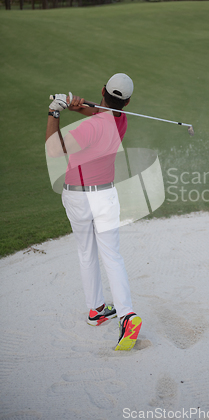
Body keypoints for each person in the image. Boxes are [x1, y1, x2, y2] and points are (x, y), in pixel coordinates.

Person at [45, 73, 142, 351]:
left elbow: (53, 149)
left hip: (77, 198)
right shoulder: (120, 120)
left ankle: (96, 308)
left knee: (86, 252)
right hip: (106, 196)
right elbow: (100, 112)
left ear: (102, 90)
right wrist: (74, 104)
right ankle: (125, 314)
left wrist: (55, 112)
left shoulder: (89, 127)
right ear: (128, 101)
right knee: (112, 254)